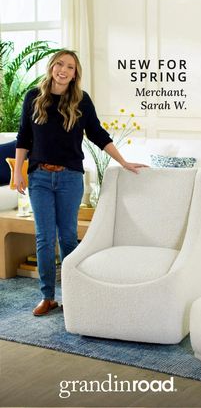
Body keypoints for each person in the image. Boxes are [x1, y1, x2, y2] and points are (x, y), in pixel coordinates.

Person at [14, 49, 147, 316]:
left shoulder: (81, 101)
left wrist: (123, 162)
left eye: (70, 67)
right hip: (39, 177)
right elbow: (23, 138)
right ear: (52, 67)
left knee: (67, 238)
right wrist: (19, 171)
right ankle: (47, 297)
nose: (64, 70)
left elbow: (97, 133)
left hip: (70, 178)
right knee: (44, 238)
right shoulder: (33, 98)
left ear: (76, 73)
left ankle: (73, 295)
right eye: (60, 64)